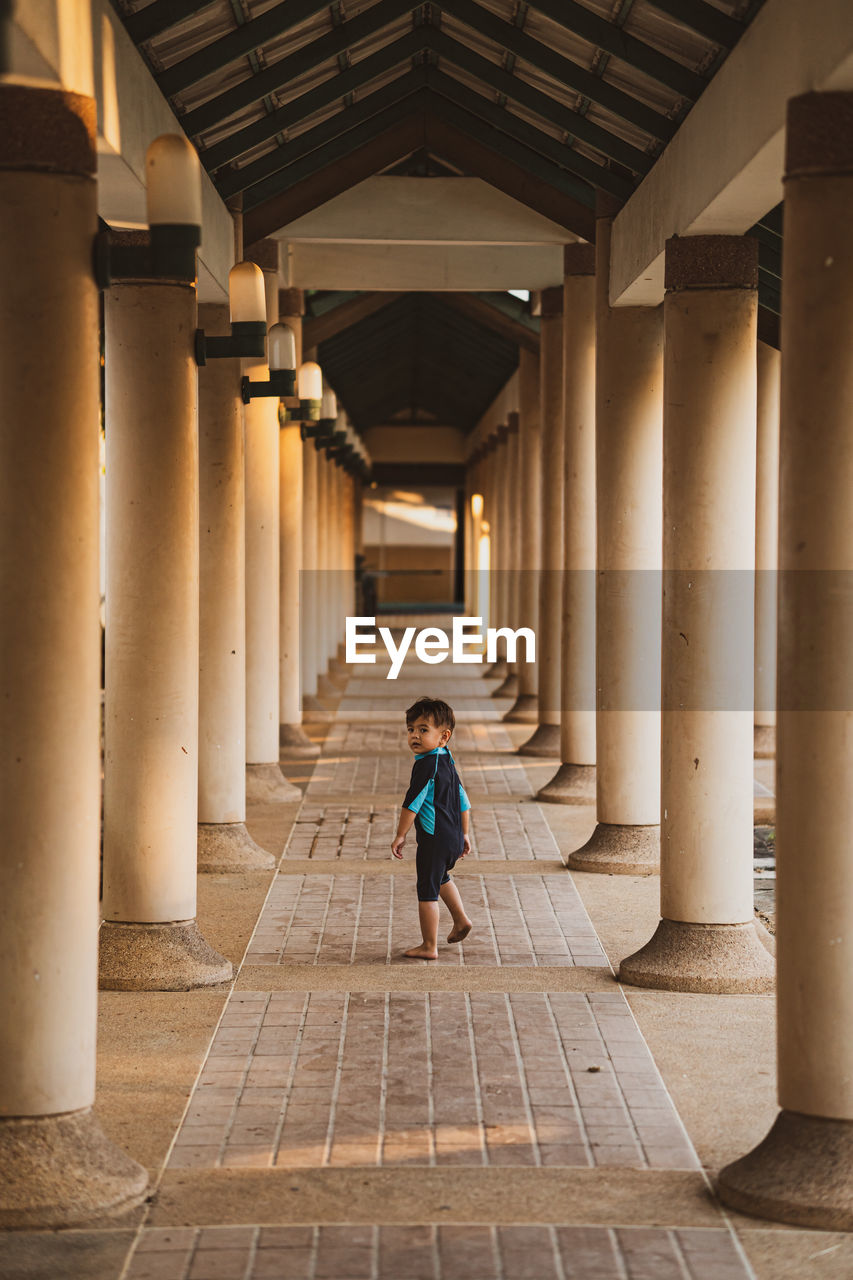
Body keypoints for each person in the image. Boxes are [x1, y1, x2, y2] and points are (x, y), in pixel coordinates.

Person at [391, 696, 473, 959]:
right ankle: (461, 920)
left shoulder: (426, 764)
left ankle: (429, 945)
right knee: (440, 877)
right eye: (411, 729)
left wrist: (400, 834)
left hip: (434, 839)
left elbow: (412, 803)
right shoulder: (447, 760)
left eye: (423, 730)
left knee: (427, 889)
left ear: (443, 737)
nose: (415, 735)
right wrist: (465, 834)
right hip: (452, 838)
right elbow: (463, 801)